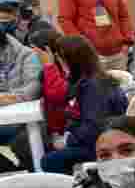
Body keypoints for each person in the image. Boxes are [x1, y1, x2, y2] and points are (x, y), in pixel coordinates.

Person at [41, 35, 128, 174]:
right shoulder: (88, 79)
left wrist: (68, 141)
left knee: (49, 160)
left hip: (101, 143)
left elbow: (93, 127)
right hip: (99, 138)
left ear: (71, 60)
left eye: (60, 59)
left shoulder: (93, 87)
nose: (60, 64)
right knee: (47, 146)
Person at [5, 29, 68, 171]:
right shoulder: (46, 70)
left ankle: (35, 172)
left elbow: (56, 95)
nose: (33, 56)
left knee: (22, 142)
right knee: (20, 140)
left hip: (62, 128)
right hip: (51, 123)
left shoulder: (62, 69)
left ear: (47, 51)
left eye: (35, 52)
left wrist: (49, 66)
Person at [0, 2, 43, 159]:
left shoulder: (26, 55)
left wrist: (7, 98)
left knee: (23, 141)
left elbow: (33, 89)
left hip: (21, 121)